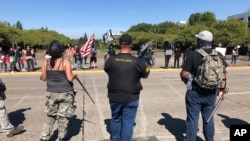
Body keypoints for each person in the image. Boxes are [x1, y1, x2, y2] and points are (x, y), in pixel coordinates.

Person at [180, 30, 228, 141]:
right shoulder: (219, 55)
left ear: (201, 41)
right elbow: (223, 74)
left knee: (192, 119)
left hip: (195, 92)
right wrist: (222, 90)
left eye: (198, 39)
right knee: (209, 118)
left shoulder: (193, 54)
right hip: (211, 93)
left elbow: (184, 74)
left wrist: (185, 79)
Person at [104, 34, 150, 141]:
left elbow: (107, 69)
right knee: (128, 122)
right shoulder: (137, 61)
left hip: (114, 96)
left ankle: (115, 138)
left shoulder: (111, 60)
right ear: (131, 45)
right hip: (131, 97)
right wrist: (143, 62)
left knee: (115, 119)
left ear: (119, 45)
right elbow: (146, 74)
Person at [39, 40, 78, 141]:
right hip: (65, 93)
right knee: (63, 117)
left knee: (50, 117)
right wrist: (75, 75)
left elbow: (43, 78)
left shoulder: (45, 62)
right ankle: (61, 137)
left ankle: (44, 137)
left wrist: (41, 76)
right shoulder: (65, 62)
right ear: (61, 51)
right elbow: (70, 78)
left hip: (51, 93)